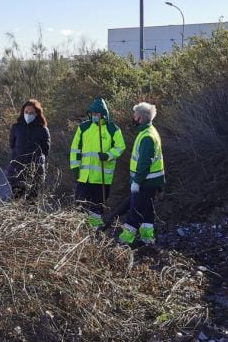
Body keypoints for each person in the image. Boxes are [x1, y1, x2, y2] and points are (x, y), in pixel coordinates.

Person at [69, 97, 125, 229]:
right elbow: (75, 148)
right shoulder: (83, 128)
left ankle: (95, 232)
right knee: (80, 205)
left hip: (102, 178)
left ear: (103, 114)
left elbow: (120, 147)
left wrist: (108, 155)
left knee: (97, 208)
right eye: (93, 113)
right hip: (84, 177)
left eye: (97, 113)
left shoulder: (113, 129)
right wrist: (75, 166)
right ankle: (79, 229)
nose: (94, 116)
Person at [118, 102, 164, 246]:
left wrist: (137, 182)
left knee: (135, 211)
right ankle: (147, 239)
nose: (133, 118)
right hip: (150, 182)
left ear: (140, 118)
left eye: (135, 116)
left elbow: (144, 163)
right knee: (147, 211)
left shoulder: (147, 136)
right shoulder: (148, 132)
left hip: (145, 182)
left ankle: (124, 241)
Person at [8, 99, 51, 201]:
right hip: (17, 170)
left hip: (36, 171)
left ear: (37, 113)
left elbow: (46, 150)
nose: (28, 115)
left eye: (31, 113)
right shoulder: (16, 127)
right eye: (26, 112)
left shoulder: (43, 130)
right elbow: (12, 145)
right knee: (17, 200)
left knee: (32, 202)